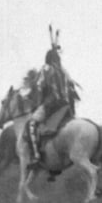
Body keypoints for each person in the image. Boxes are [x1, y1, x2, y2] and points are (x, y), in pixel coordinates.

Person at [25, 40, 76, 169]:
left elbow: (39, 87)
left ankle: (36, 156)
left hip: (52, 104)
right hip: (66, 106)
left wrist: (35, 101)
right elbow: (72, 89)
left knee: (31, 124)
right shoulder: (64, 72)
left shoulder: (46, 69)